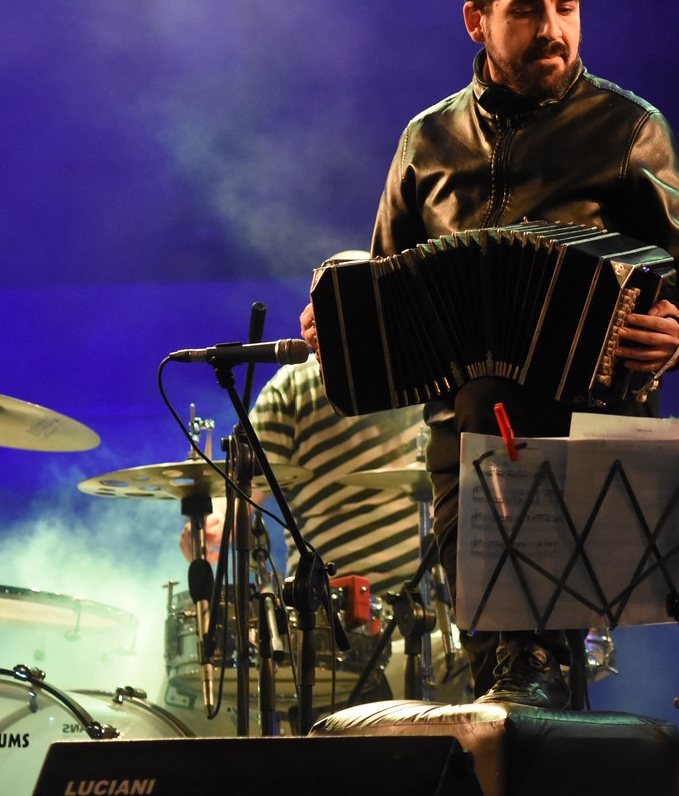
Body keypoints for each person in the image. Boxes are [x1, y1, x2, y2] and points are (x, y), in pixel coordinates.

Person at [301, 0, 679, 711]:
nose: (554, 30)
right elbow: (382, 295)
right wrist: (335, 324)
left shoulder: (626, 129)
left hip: (591, 425)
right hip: (463, 442)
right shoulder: (426, 142)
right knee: (503, 681)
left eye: (566, 7)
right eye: (529, 10)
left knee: (527, 676)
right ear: (477, 20)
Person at [179, 255, 469, 713]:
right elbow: (237, 503)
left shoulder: (427, 374)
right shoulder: (292, 387)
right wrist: (210, 526)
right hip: (328, 622)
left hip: (430, 621)